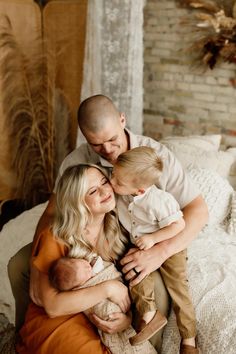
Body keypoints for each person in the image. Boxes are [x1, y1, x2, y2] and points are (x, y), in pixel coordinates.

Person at [8, 94, 208, 352]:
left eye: (113, 139)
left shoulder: (155, 156)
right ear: (84, 137)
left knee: (154, 292)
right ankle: (25, 336)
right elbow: (50, 214)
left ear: (122, 120)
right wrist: (38, 270)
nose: (109, 151)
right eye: (98, 145)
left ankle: (144, 341)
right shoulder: (77, 160)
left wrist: (160, 252)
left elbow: (198, 211)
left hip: (145, 241)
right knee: (18, 266)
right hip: (93, 237)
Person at [16, 164, 134, 354]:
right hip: (60, 318)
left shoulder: (119, 229)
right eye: (93, 191)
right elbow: (53, 307)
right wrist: (108, 289)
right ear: (77, 202)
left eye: (104, 182)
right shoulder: (55, 236)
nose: (105, 190)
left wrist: (126, 320)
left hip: (99, 314)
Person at [110, 146, 199, 353]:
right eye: (113, 175)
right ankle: (150, 316)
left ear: (140, 190)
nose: (112, 182)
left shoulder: (159, 200)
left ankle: (189, 340)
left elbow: (178, 225)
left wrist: (153, 238)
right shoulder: (125, 194)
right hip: (143, 244)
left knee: (178, 289)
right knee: (136, 275)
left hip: (169, 246)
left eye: (118, 182)